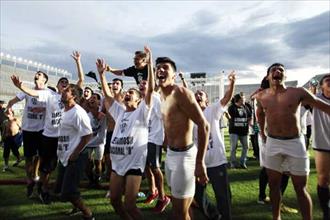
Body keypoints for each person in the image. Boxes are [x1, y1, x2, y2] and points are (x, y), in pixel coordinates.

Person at [254, 63, 330, 220]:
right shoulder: (261, 96)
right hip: (273, 143)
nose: (277, 71)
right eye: (273, 70)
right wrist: (262, 132)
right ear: (268, 76)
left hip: (295, 143)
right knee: (274, 185)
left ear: (285, 76)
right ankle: (277, 217)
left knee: (300, 188)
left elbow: (321, 105)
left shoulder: (298, 92)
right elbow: (259, 113)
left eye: (281, 70)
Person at [97, 45, 154, 220]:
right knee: (114, 200)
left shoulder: (143, 111)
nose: (127, 94)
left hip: (134, 164)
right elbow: (107, 95)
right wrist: (102, 74)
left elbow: (150, 89)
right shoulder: (120, 111)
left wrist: (150, 63)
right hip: (118, 164)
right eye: (127, 92)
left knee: (130, 204)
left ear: (139, 100)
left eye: (131, 92)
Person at [156, 56, 209, 220]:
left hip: (185, 157)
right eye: (158, 67)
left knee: (179, 212)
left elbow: (204, 125)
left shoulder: (180, 93)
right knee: (182, 208)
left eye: (166, 67)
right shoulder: (160, 95)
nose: (161, 70)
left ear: (174, 74)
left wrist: (200, 162)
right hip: (171, 155)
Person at [193, 70, 236, 220]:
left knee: (223, 196)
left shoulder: (212, 110)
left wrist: (232, 83)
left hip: (217, 162)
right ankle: (214, 215)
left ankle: (225, 217)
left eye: (201, 94)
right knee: (197, 195)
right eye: (196, 94)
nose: (198, 95)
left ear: (207, 100)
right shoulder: (190, 115)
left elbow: (226, 98)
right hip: (198, 164)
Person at [55, 83, 94, 220]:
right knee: (60, 190)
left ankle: (88, 214)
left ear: (74, 96)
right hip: (64, 156)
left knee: (69, 191)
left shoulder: (78, 112)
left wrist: (76, 152)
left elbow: (88, 135)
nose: (63, 91)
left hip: (76, 156)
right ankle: (77, 206)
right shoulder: (64, 110)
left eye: (66, 90)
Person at [6, 71, 48, 198]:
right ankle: (29, 180)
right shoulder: (26, 91)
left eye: (40, 74)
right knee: (29, 157)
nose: (37, 75)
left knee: (40, 156)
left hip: (42, 130)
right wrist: (9, 106)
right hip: (28, 129)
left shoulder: (47, 93)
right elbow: (12, 101)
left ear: (45, 79)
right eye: (36, 74)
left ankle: (36, 176)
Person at [139, 79, 170, 213]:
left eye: (145, 83)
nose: (141, 85)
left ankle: (163, 198)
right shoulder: (140, 100)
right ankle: (153, 191)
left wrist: (166, 138)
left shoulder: (156, 98)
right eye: (140, 83)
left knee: (155, 167)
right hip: (143, 139)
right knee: (146, 167)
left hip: (154, 138)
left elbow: (165, 118)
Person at [311, 74, 330, 220]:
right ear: (321, 86)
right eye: (328, 81)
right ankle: (326, 212)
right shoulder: (314, 98)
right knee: (323, 179)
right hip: (322, 144)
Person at [83, 92, 107, 188]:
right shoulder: (85, 115)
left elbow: (108, 104)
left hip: (99, 142)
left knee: (98, 163)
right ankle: (91, 180)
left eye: (95, 98)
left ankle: (97, 180)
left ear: (99, 102)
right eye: (91, 98)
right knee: (87, 164)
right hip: (87, 143)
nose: (92, 99)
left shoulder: (104, 115)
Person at [228, 93, 251, 169]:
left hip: (244, 131)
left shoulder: (246, 107)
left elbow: (249, 117)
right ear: (237, 100)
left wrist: (249, 125)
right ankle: (233, 163)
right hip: (234, 131)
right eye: (242, 99)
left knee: (246, 146)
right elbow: (229, 117)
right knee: (233, 147)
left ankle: (243, 162)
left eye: (244, 99)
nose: (244, 100)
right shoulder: (232, 107)